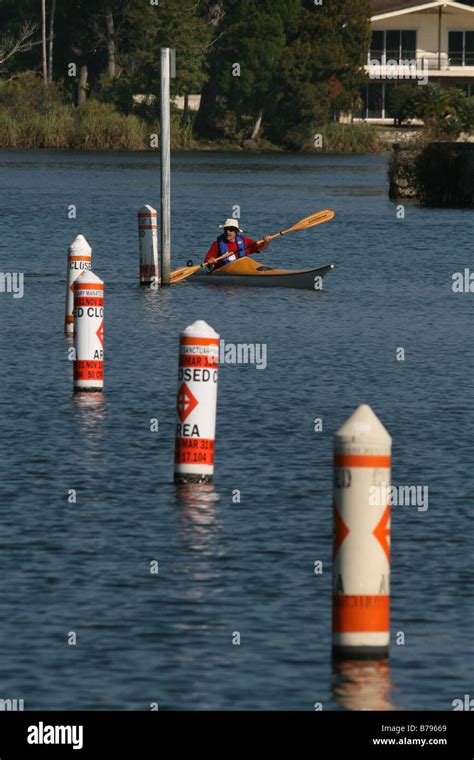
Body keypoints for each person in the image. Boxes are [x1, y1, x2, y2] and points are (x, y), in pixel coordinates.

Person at [205, 218, 271, 270]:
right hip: (223, 272)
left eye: (230, 230)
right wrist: (210, 262)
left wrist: (266, 242)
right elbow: (207, 261)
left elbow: (261, 248)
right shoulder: (217, 244)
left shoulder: (244, 241)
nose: (228, 232)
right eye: (226, 229)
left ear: (236, 231)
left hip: (242, 270)